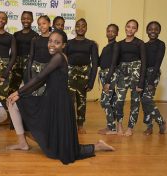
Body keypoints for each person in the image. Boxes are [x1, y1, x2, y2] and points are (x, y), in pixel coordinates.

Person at [6, 30, 114, 165]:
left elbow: (40, 77)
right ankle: (22, 143)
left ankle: (97, 146)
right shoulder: (55, 57)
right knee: (13, 103)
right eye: (50, 41)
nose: (52, 45)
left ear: (63, 45)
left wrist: (19, 92)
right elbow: (42, 81)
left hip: (59, 103)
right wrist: (21, 94)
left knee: (61, 150)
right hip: (50, 99)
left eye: (57, 42)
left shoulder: (59, 58)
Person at [105, 19, 146, 136]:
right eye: (128, 26)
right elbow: (114, 63)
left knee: (135, 101)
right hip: (122, 74)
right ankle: (119, 124)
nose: (130, 29)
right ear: (125, 28)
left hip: (136, 74)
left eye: (133, 27)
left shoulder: (140, 43)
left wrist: (141, 82)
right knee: (120, 100)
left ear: (136, 30)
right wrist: (108, 81)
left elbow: (144, 63)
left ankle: (130, 127)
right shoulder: (119, 44)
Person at [65, 18, 99, 134]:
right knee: (69, 100)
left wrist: (91, 81)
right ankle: (69, 123)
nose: (80, 28)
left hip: (84, 74)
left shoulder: (91, 44)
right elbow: (63, 60)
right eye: (78, 25)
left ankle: (80, 124)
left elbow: (95, 64)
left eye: (83, 26)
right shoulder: (69, 43)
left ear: (86, 28)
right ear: (75, 27)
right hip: (70, 73)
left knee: (81, 100)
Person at [141, 21, 166, 135]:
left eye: (156, 29)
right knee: (144, 101)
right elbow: (143, 63)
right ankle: (149, 126)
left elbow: (158, 63)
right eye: (150, 29)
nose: (153, 31)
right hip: (143, 73)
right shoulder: (144, 45)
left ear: (159, 31)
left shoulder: (161, 44)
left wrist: (151, 81)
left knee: (147, 99)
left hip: (153, 73)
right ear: (147, 31)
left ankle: (160, 121)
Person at [9, 11, 38, 94]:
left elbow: (35, 52)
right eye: (24, 18)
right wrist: (10, 64)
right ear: (21, 19)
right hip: (16, 63)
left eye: (28, 18)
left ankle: (27, 106)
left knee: (28, 86)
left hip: (28, 63)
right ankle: (10, 105)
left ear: (32, 20)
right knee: (12, 87)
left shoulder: (35, 35)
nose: (26, 20)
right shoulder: (16, 34)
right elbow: (13, 51)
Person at [98, 24, 119, 135]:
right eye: (108, 31)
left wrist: (107, 81)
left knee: (104, 101)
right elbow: (99, 62)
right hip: (104, 74)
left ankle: (112, 128)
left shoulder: (115, 46)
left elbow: (113, 64)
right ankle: (111, 126)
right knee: (110, 101)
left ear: (117, 33)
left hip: (109, 75)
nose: (110, 33)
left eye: (113, 31)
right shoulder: (107, 47)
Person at [26, 15, 52, 96]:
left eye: (44, 23)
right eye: (39, 24)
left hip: (48, 69)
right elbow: (31, 56)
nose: (41, 26)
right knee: (35, 92)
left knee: (47, 92)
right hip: (35, 69)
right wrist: (29, 72)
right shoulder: (35, 39)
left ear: (49, 24)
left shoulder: (53, 39)